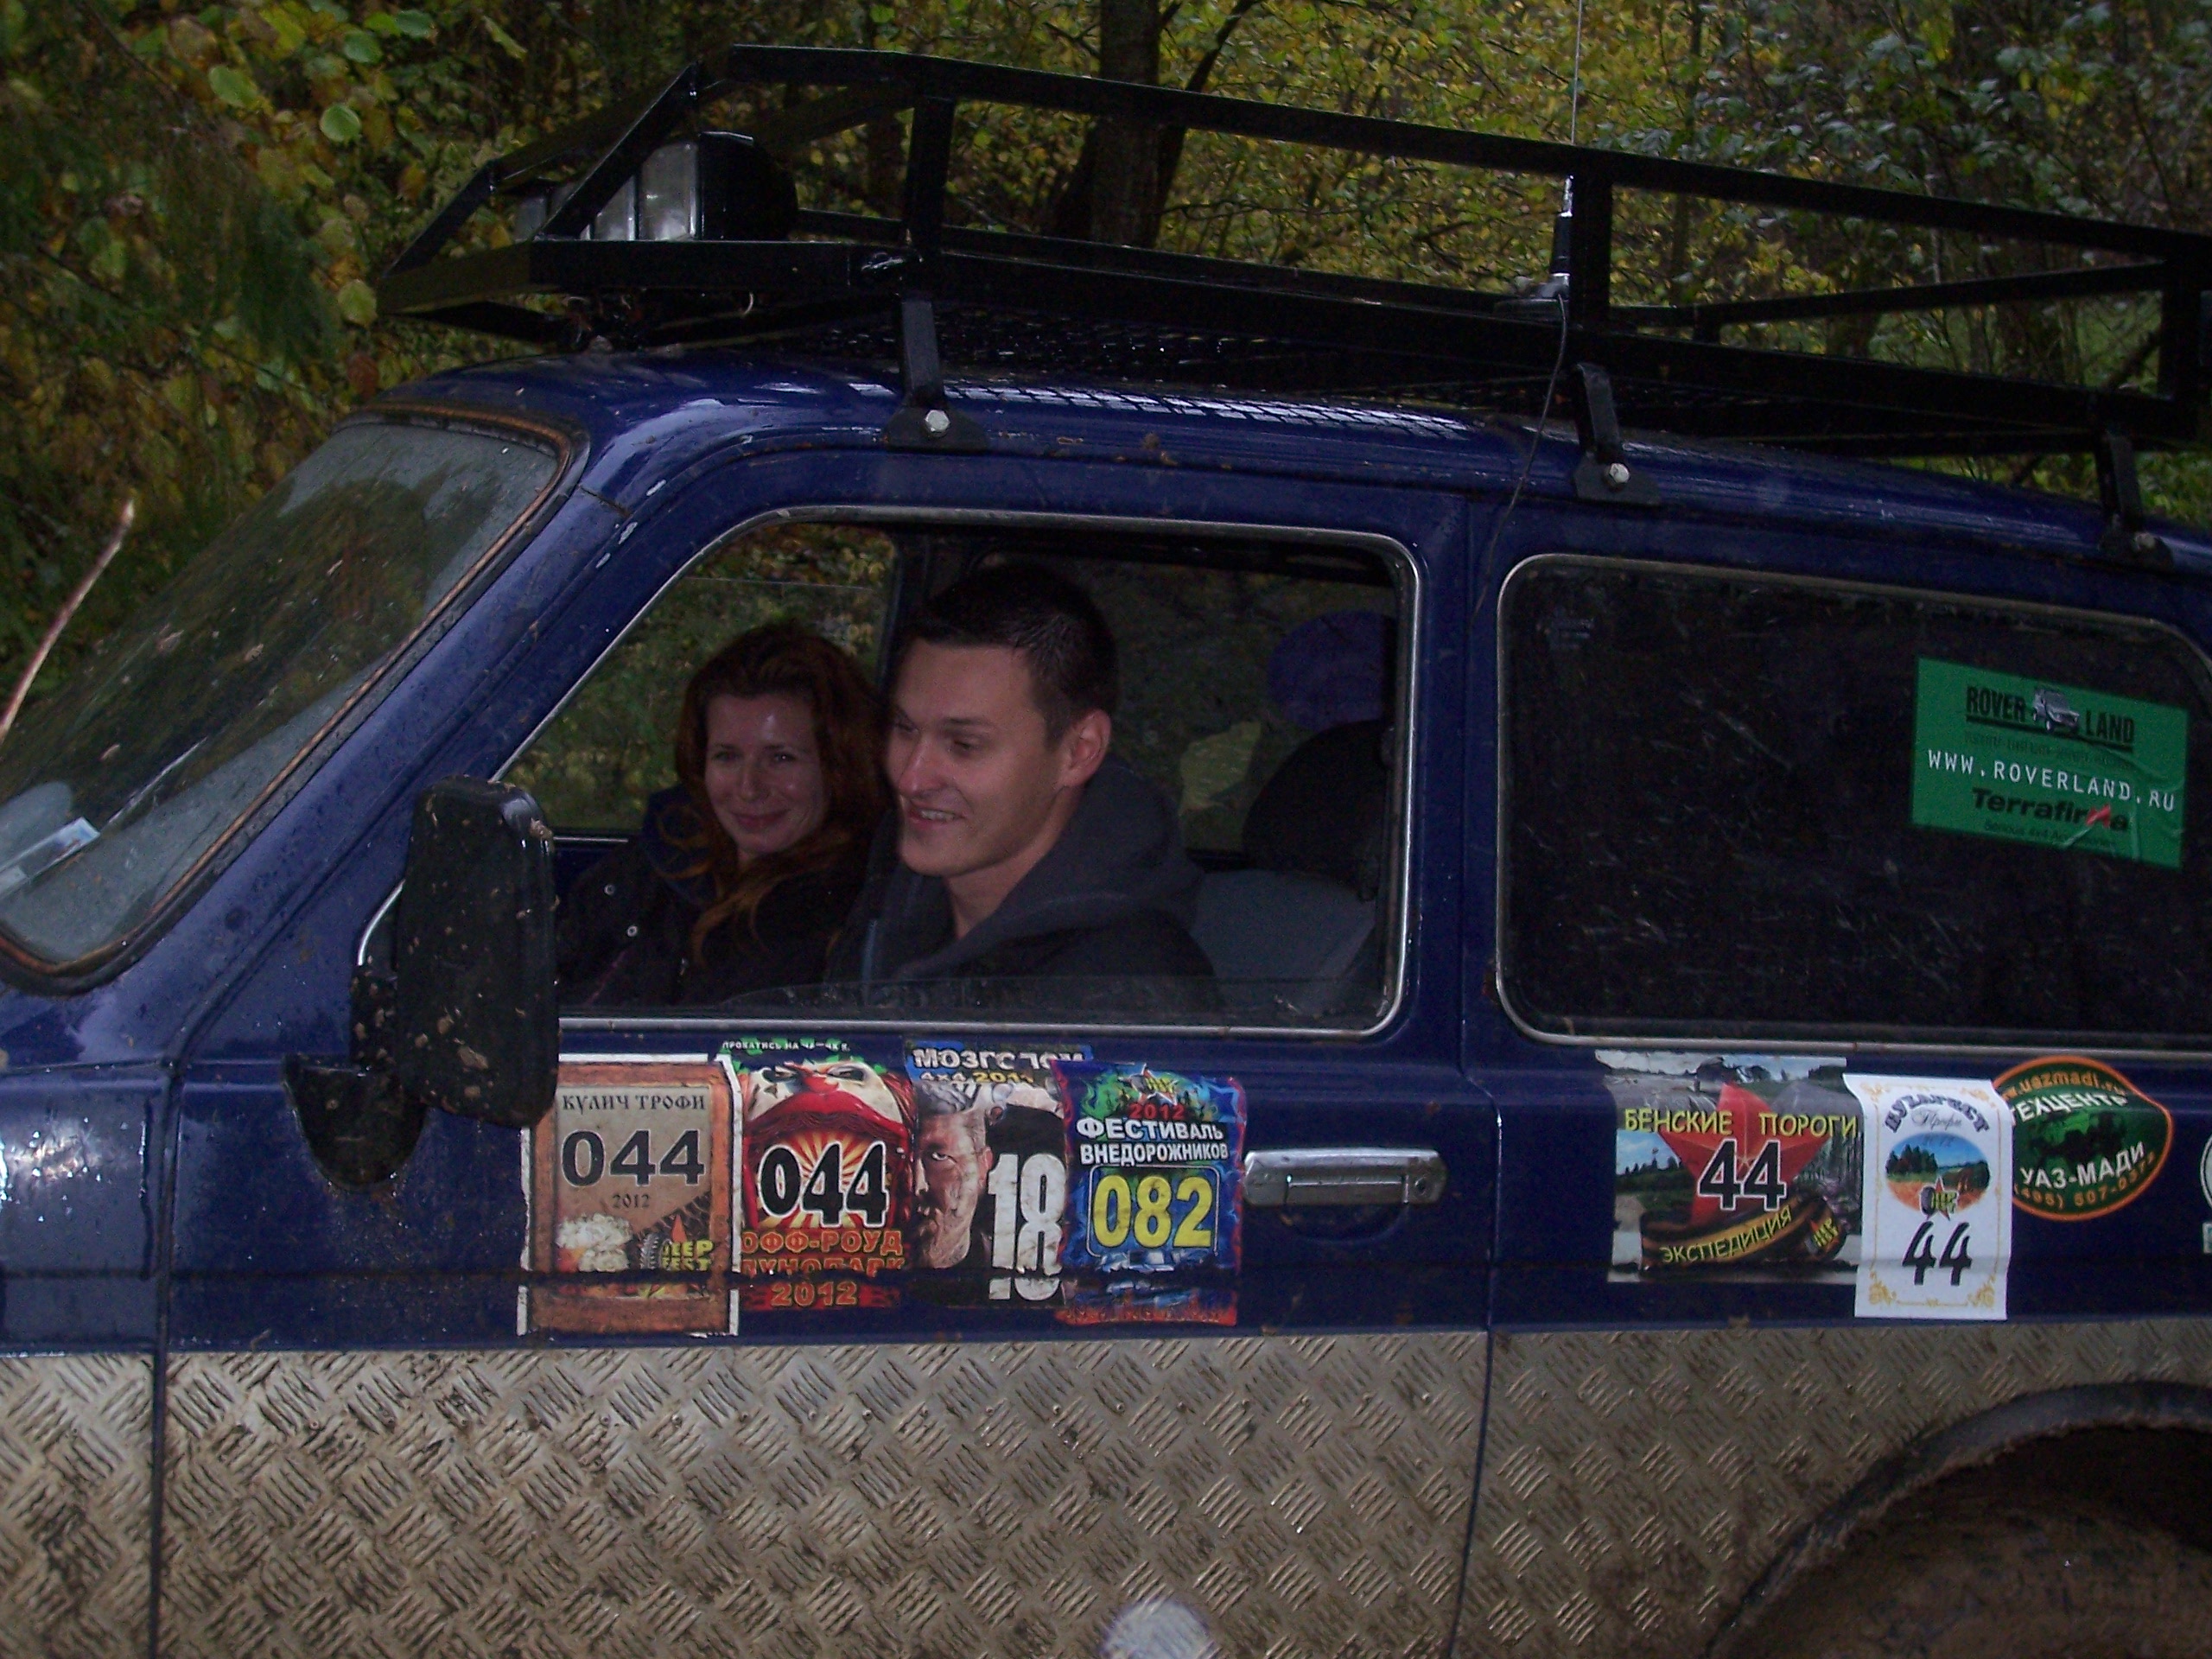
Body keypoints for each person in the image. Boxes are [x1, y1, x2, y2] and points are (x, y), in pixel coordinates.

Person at [830, 561, 1214, 1002]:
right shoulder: (891, 895)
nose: (910, 778)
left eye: (964, 745)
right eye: (904, 728)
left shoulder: (1125, 990)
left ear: (1079, 751)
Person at [559, 622, 886, 1005]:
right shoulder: (659, 857)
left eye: (781, 758)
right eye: (727, 757)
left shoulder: (833, 916)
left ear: (836, 767)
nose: (749, 788)